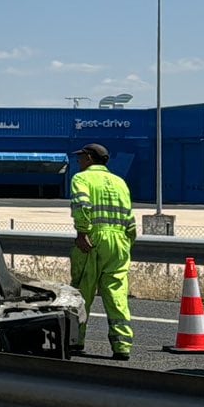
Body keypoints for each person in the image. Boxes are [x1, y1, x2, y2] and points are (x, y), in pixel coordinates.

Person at [69, 143, 136, 360]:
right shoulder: (120, 182)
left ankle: (75, 341)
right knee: (116, 294)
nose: (78, 161)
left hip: (93, 238)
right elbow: (130, 219)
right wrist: (126, 243)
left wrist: (82, 232)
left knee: (82, 291)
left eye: (81, 157)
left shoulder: (82, 179)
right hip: (119, 241)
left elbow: (82, 206)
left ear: (89, 158)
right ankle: (122, 345)